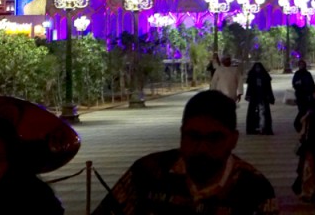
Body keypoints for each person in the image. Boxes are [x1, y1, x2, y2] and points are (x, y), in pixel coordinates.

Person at [93, 90, 278, 214]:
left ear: (233, 139)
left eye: (214, 138)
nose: (202, 148)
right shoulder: (148, 173)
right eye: (194, 136)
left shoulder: (254, 189)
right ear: (182, 134)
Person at [245, 62, 274, 135]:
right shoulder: (252, 76)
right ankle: (253, 129)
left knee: (264, 113)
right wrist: (248, 95)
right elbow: (249, 87)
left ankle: (265, 128)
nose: (257, 69)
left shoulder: (265, 76)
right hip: (254, 97)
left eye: (259, 67)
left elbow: (268, 88)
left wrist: (270, 96)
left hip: (263, 97)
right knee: (253, 113)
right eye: (256, 67)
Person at [292, 59, 315, 132]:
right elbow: (294, 83)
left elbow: (312, 84)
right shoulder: (297, 74)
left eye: (303, 64)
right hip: (300, 95)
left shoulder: (308, 74)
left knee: (307, 110)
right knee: (302, 110)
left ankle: (306, 125)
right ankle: (299, 125)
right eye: (300, 64)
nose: (301, 66)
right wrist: (298, 84)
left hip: (308, 95)